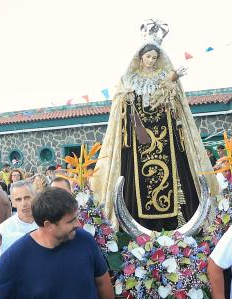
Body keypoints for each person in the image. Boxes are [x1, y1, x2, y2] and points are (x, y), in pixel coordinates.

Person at [92, 34, 216, 231]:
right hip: (136, 141)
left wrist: (170, 87)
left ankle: (180, 223)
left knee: (177, 175)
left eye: (154, 57)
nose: (151, 61)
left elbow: (176, 105)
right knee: (134, 181)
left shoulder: (164, 77)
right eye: (148, 56)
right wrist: (127, 98)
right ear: (140, 57)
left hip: (166, 139)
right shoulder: (128, 79)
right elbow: (119, 105)